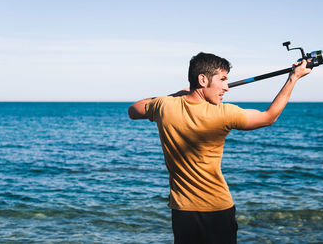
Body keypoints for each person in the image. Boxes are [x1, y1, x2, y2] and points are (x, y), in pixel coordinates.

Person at [128, 52, 311, 244]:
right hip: (217, 209)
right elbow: (269, 117)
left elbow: (133, 110)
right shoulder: (224, 113)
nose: (226, 87)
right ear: (202, 79)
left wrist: (178, 95)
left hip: (182, 212)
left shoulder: (163, 106)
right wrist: (293, 78)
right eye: (222, 80)